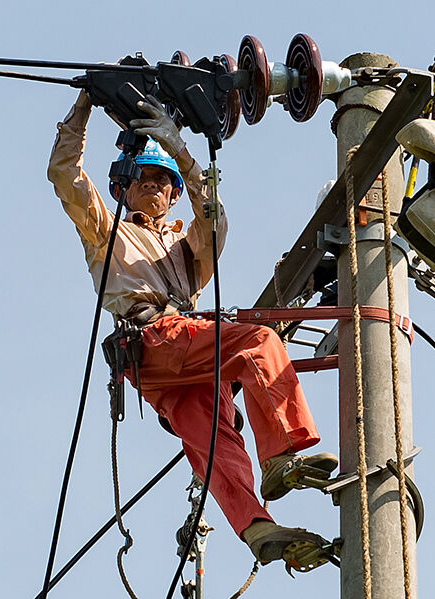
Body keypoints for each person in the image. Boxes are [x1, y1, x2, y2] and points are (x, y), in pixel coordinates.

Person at [47, 89, 338, 568]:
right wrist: (83, 107)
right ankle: (282, 455)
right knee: (259, 343)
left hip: (177, 364)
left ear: (174, 193)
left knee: (215, 443)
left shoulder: (189, 248)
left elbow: (215, 215)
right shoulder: (107, 230)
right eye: (143, 177)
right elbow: (65, 175)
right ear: (123, 187)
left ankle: (257, 527)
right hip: (154, 339)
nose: (153, 185)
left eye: (163, 179)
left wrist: (180, 150)